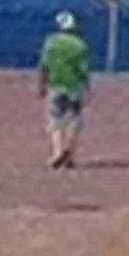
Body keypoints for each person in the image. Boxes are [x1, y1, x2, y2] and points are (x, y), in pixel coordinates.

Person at [35, 9, 91, 169]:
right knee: (74, 119)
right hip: (74, 86)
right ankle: (69, 151)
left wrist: (41, 84)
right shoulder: (80, 45)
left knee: (54, 120)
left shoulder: (51, 43)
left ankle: (57, 151)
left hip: (56, 84)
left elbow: (44, 65)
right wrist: (87, 87)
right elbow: (83, 70)